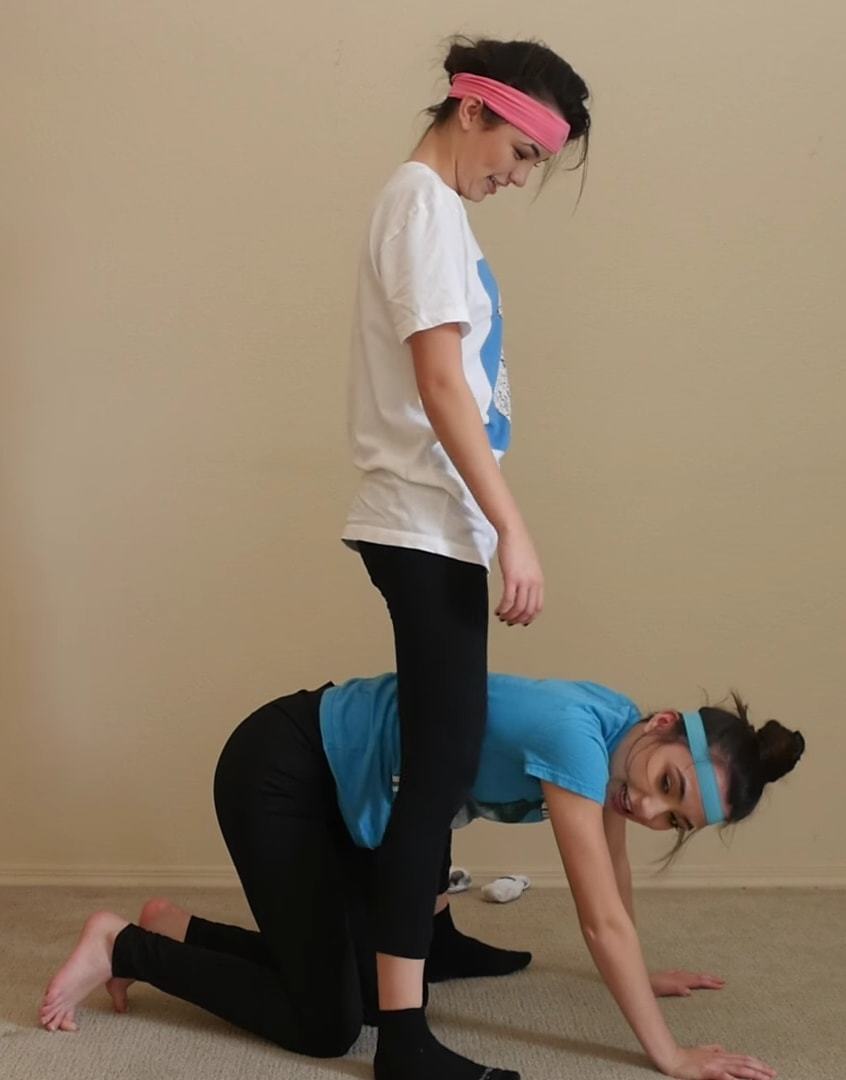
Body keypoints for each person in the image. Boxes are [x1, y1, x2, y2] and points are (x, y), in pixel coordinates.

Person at [40, 671, 803, 1080]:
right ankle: (122, 947)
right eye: (667, 785)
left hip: (348, 805)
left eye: (674, 819)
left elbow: (615, 869)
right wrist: (670, 1056)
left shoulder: (617, 731)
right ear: (663, 725)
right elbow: (598, 918)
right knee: (327, 1027)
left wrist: (643, 968)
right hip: (285, 774)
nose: (647, 809)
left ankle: (178, 930)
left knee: (373, 988)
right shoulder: (577, 740)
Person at [340, 35, 590, 1078]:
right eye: (524, 152)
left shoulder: (433, 210)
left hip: (436, 522)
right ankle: (403, 1038)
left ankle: (431, 940)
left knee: (447, 752)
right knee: (437, 766)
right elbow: (442, 382)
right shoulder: (423, 206)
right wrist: (512, 527)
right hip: (423, 521)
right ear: (473, 110)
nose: (520, 176)